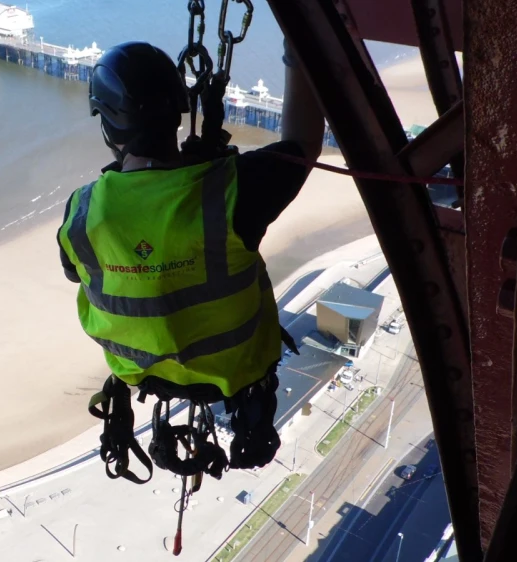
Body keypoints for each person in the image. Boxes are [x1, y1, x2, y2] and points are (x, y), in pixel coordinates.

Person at [56, 40, 327, 479]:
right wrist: (297, 45)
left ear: (108, 129)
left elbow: (76, 271)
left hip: (138, 374)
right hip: (236, 373)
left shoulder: (81, 213)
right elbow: (303, 143)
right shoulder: (235, 190)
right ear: (177, 115)